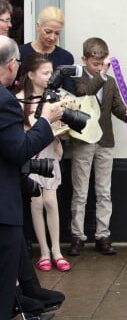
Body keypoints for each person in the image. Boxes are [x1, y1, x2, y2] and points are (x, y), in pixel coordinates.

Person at [0, 35, 65, 320]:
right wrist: (45, 121)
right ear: (13, 65)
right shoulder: (5, 101)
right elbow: (19, 149)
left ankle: (28, 295)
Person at [68, 37, 127, 256]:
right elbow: (85, 93)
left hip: (105, 141)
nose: (98, 67)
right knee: (80, 192)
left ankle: (103, 235)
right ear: (84, 59)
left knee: (103, 191)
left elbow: (115, 107)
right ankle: (77, 236)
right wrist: (102, 74)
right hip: (84, 140)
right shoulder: (78, 77)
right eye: (94, 64)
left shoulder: (110, 81)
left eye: (101, 63)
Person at [14, 54, 71, 272]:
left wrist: (59, 137)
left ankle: (57, 250)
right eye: (45, 73)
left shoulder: (53, 99)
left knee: (51, 201)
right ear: (30, 74)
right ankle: (44, 252)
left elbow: (61, 130)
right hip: (30, 156)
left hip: (48, 153)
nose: (50, 77)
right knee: (36, 202)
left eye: (51, 72)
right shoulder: (20, 99)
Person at [19, 6, 76, 95]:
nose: (52, 37)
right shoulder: (21, 53)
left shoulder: (65, 57)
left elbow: (69, 91)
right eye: (48, 32)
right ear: (38, 27)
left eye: (57, 33)